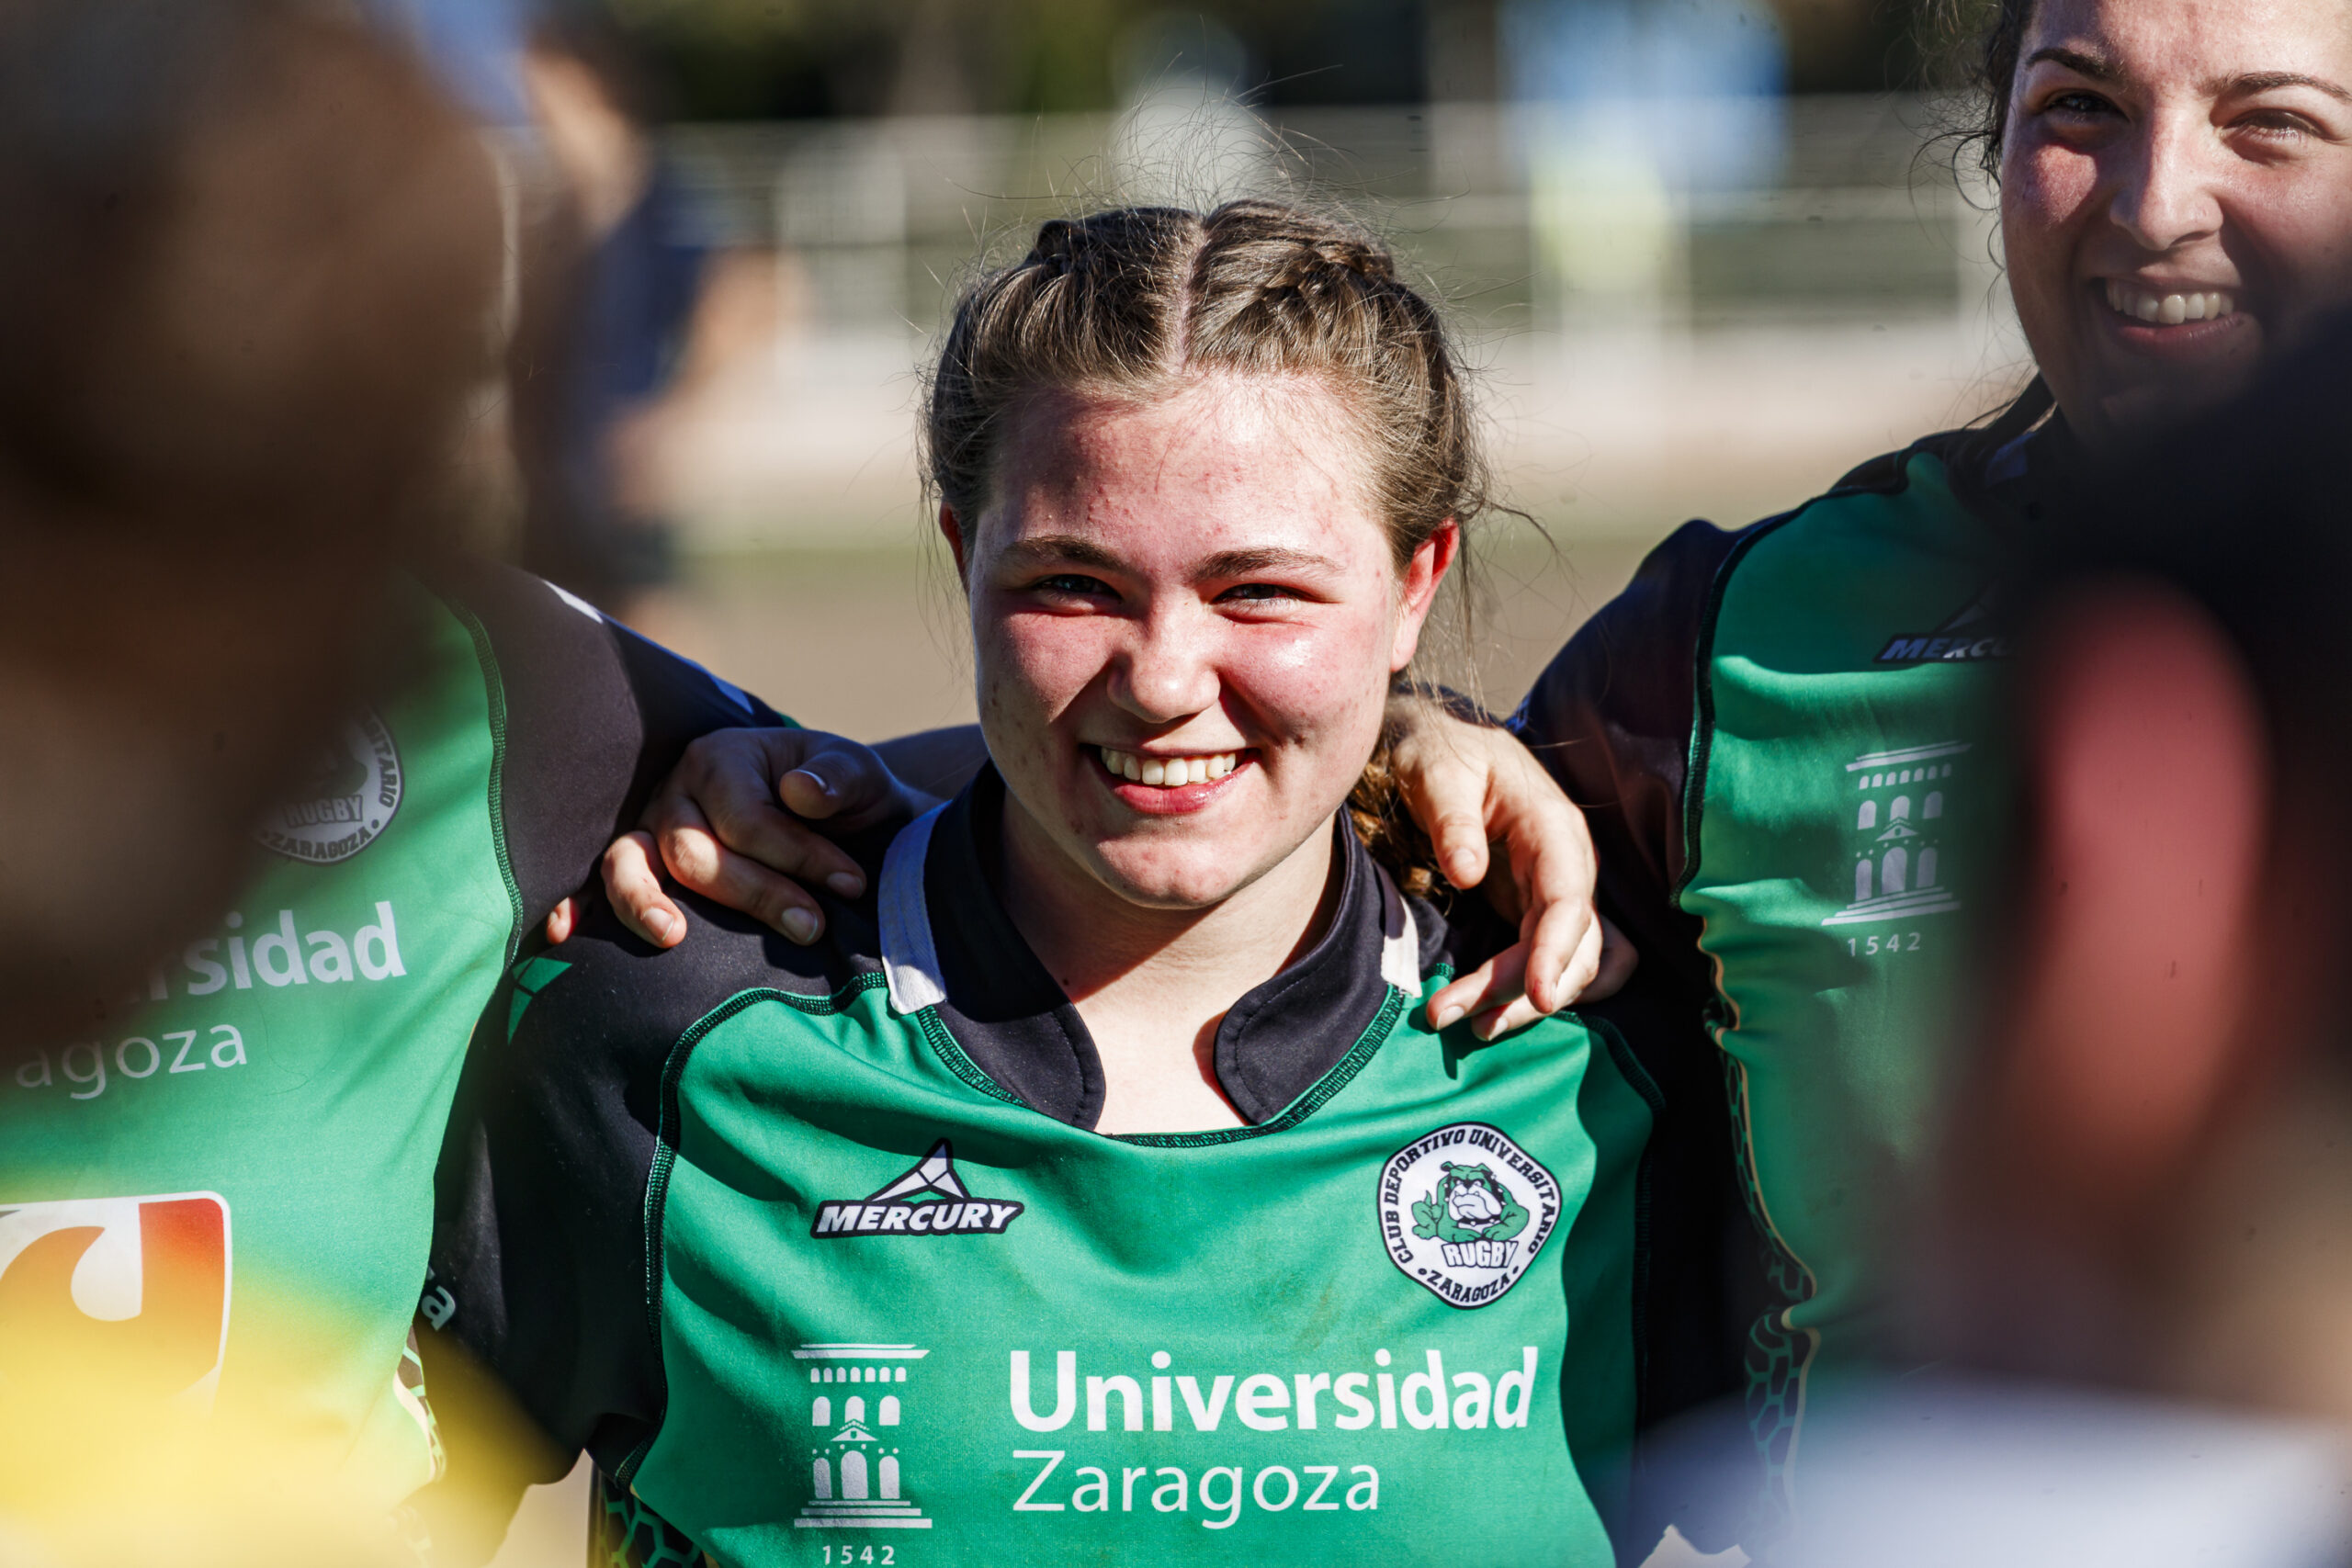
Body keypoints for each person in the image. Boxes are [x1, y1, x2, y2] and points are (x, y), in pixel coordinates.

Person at [423, 201, 1661, 1566]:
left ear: (1416, 579)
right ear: (963, 557)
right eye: (1074, 585)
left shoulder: (1592, 1055)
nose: (1166, 680)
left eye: (1260, 592)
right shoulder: (670, 1024)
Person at [1509, 0, 2352, 1540]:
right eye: (2080, 107)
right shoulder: (1729, 649)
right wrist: (1398, 756)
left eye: (2275, 123)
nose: (2157, 205)